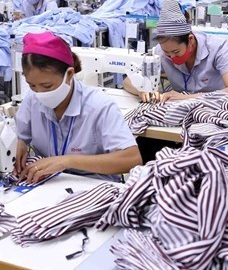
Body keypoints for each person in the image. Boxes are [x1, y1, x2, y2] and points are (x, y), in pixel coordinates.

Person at [15, 31, 142, 183]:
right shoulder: (32, 99)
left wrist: (66, 161)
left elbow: (132, 159)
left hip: (95, 187)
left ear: (69, 75)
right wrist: (19, 145)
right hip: (50, 184)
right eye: (32, 85)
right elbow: (20, 136)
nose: (39, 93)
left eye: (47, 86)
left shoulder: (99, 106)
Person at [123, 0, 228, 102]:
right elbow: (128, 81)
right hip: (179, 107)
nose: (172, 58)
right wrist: (141, 91)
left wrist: (187, 98)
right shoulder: (161, 52)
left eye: (176, 52)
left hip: (214, 106)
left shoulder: (218, 47)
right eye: (167, 53)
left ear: (190, 40)